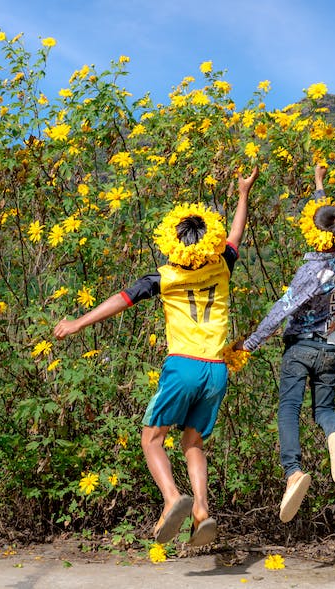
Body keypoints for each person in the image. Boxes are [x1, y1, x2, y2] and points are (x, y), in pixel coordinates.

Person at [54, 167, 259, 546]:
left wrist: (79, 323)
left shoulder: (163, 277)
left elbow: (121, 300)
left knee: (152, 438)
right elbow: (236, 235)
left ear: (174, 241)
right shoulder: (222, 266)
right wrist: (243, 193)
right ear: (207, 242)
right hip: (217, 371)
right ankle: (201, 511)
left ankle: (171, 500)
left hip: (183, 365)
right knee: (193, 443)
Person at [234, 164, 335, 523]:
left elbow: (281, 309)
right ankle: (334, 434)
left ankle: (293, 472)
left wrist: (250, 344)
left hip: (300, 347)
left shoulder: (310, 271)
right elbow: (330, 220)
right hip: (329, 348)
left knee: (289, 409)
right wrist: (320, 186)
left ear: (312, 233)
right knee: (324, 411)